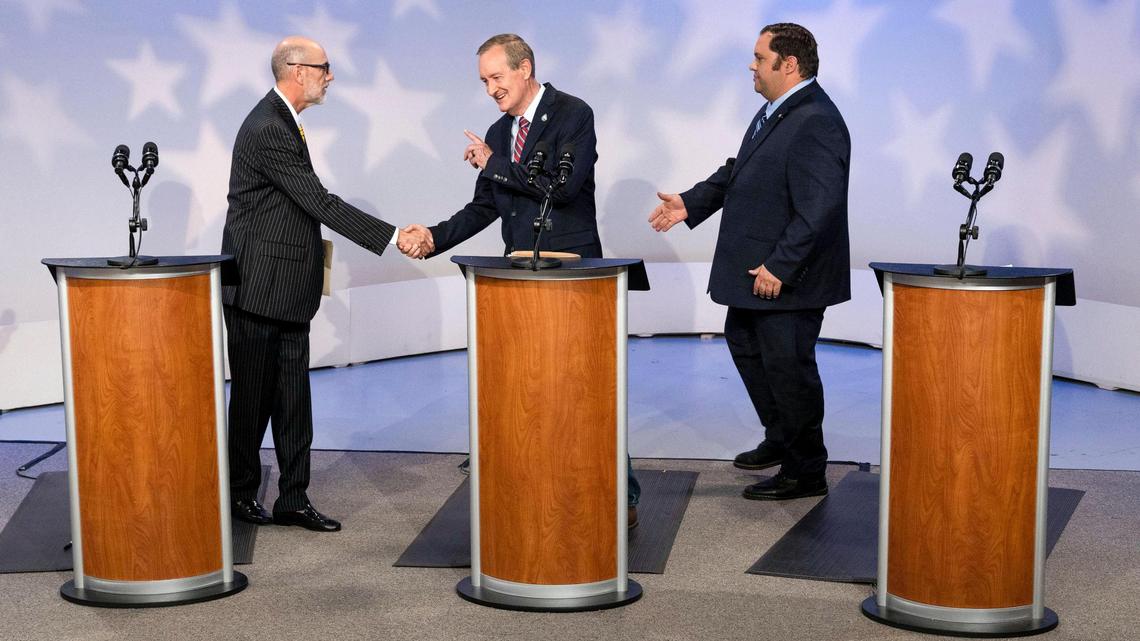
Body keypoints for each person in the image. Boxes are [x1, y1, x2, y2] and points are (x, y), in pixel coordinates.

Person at [410, 33, 641, 526]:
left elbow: (562, 187)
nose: (490, 88)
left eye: (496, 77)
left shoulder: (573, 113)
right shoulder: (498, 133)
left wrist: (496, 166)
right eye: (483, 81)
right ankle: (541, 483)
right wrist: (433, 237)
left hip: (575, 275)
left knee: (587, 390)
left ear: (525, 69)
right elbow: (483, 207)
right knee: (528, 390)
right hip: (519, 274)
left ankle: (623, 495)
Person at [222, 36, 432, 532]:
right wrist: (393, 235)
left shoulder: (283, 121)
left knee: (294, 398)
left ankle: (293, 497)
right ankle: (237, 494)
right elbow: (318, 201)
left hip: (286, 288)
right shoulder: (267, 126)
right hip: (256, 288)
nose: (330, 76)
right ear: (297, 70)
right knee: (252, 398)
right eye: (324, 68)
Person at [648, 23, 851, 500]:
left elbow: (819, 206)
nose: (752, 66)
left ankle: (806, 470)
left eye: (760, 58)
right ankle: (781, 437)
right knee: (744, 341)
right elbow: (738, 171)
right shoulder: (777, 112)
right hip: (758, 270)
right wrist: (690, 203)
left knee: (788, 366)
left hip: (788, 277)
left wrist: (780, 266)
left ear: (790, 65)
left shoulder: (816, 119)